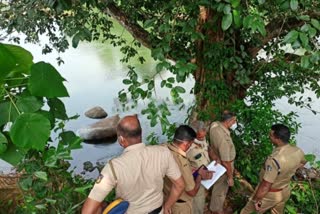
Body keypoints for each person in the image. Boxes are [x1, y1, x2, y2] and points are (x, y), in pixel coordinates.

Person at [82, 114, 185, 214]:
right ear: (140, 133)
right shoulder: (163, 153)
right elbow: (180, 185)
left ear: (121, 140)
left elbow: (88, 211)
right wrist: (167, 206)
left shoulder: (114, 167)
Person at [240, 124, 306, 214]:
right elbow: (303, 162)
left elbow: (265, 185)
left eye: (271, 135)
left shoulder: (274, 160)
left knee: (246, 212)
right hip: (285, 191)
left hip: (270, 194)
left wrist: (256, 200)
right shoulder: (297, 151)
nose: (269, 136)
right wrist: (289, 171)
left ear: (277, 139)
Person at [163, 125, 214, 214]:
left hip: (167, 197)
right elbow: (192, 192)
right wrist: (199, 175)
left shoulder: (165, 149)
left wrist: (191, 169)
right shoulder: (181, 161)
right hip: (180, 206)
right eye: (191, 143)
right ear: (187, 143)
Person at [209, 111, 237, 214]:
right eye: (234, 120)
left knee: (217, 187)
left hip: (217, 161)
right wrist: (230, 177)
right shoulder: (223, 138)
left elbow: (211, 146)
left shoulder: (215, 125)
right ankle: (217, 210)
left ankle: (217, 208)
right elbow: (226, 161)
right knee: (221, 189)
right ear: (229, 121)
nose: (235, 123)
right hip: (224, 165)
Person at [186, 121, 211, 214]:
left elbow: (207, 148)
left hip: (203, 181)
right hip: (194, 182)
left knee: (200, 204)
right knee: (197, 206)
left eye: (203, 134)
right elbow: (184, 168)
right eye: (198, 136)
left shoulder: (204, 140)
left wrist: (214, 156)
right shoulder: (187, 147)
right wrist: (198, 174)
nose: (201, 137)